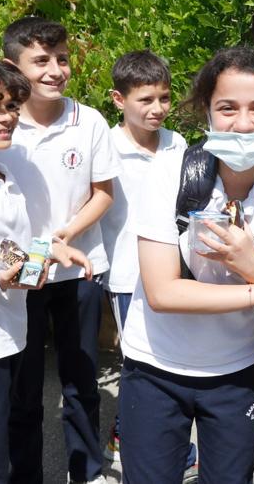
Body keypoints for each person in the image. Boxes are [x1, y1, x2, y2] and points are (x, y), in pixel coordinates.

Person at [118, 44, 254, 484]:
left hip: (235, 371)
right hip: (155, 367)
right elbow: (162, 292)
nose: (244, 123)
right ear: (208, 113)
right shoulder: (169, 173)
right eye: (227, 108)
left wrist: (249, 262)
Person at [0, 56, 92, 484]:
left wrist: (50, 250)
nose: (6, 117)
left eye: (11, 106)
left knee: (20, 438)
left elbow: (8, 251)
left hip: (15, 334)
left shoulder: (4, 172)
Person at [0, 16, 120, 484]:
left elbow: (103, 193)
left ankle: (86, 471)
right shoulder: (1, 125)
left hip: (79, 268)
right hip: (22, 270)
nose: (55, 70)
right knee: (23, 384)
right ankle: (25, 475)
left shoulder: (88, 121)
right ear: (13, 66)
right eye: (41, 60)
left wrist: (65, 236)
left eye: (62, 59)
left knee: (82, 379)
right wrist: (37, 251)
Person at [97, 51, 195, 474]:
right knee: (139, 361)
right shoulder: (106, 147)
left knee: (168, 357)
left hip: (172, 272)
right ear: (119, 100)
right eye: (146, 100)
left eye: (165, 98)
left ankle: (148, 439)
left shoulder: (177, 143)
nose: (157, 109)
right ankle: (127, 436)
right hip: (126, 274)